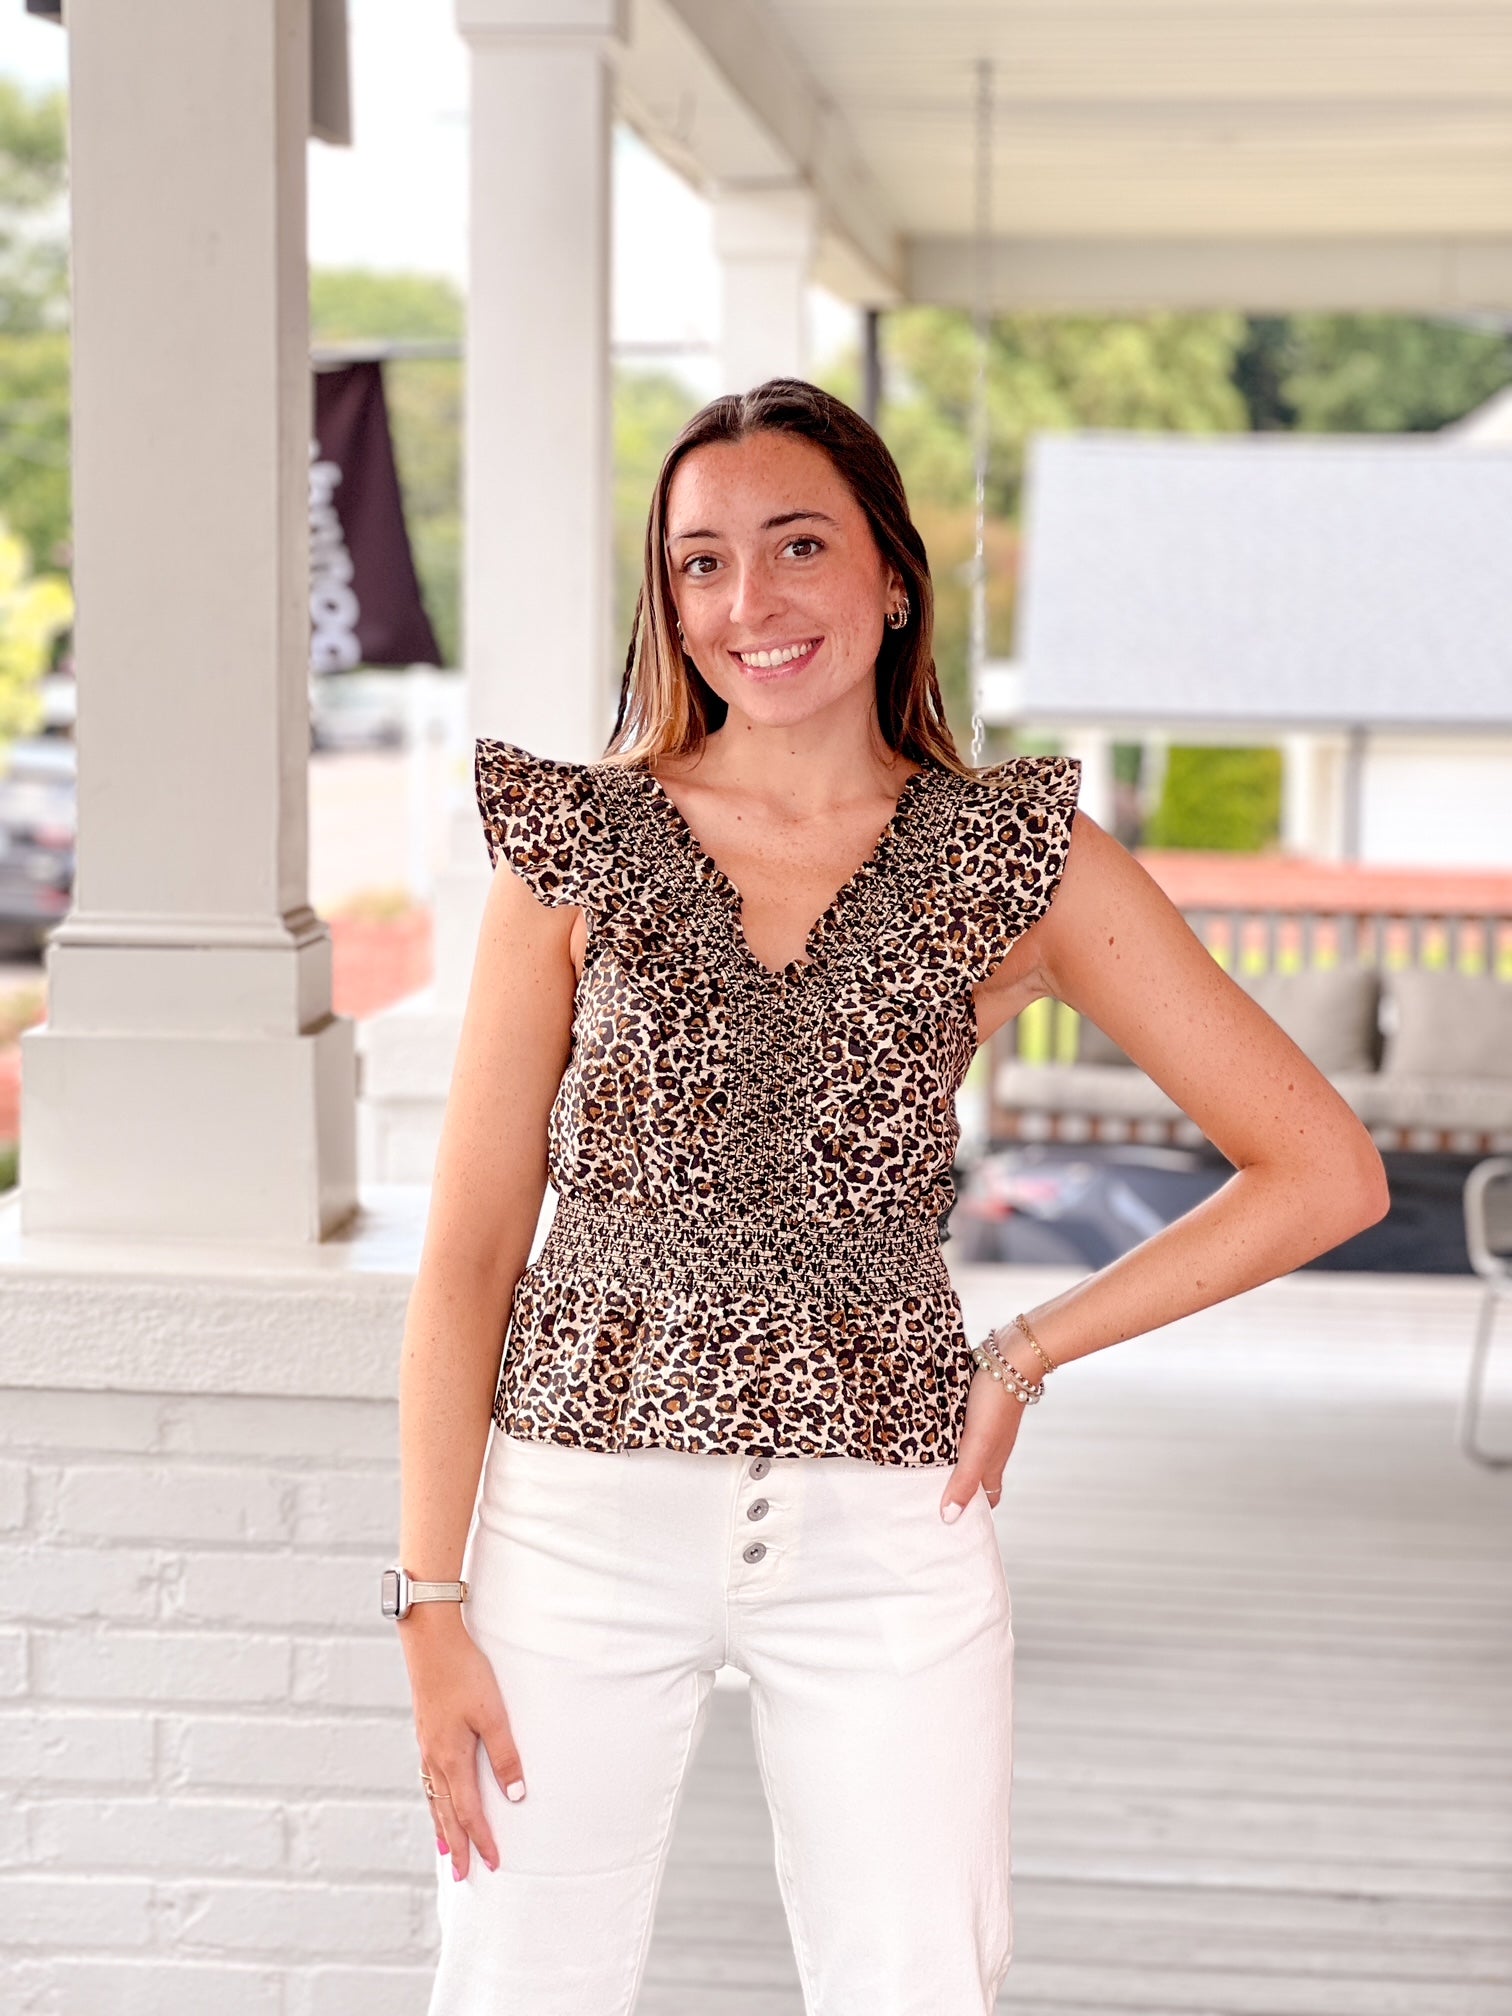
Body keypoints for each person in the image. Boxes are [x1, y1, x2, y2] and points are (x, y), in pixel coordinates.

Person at [393, 378, 1390, 2014]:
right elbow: (471, 1254)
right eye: (701, 563)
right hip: (571, 1525)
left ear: (890, 575)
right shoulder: (571, 845)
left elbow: (1322, 1170)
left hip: (882, 1532)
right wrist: (428, 1599)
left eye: (798, 547)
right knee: (518, 1987)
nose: (749, 604)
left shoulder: (1018, 857)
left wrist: (1029, 1348)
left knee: (916, 1988)